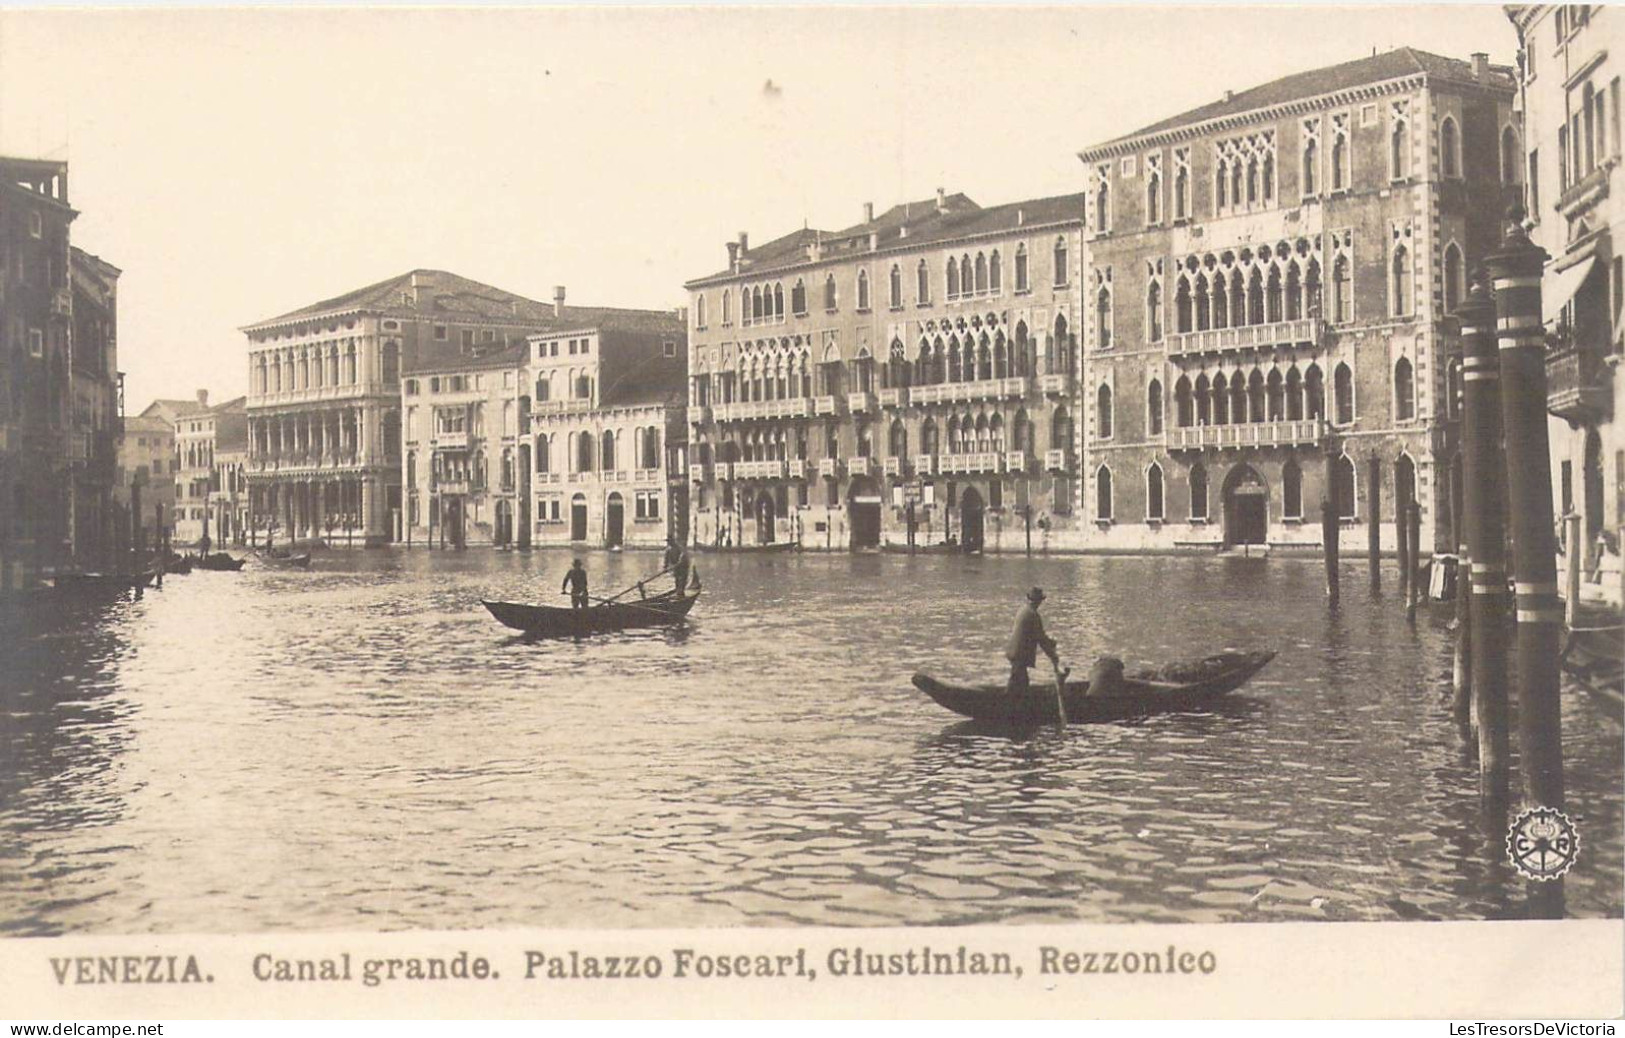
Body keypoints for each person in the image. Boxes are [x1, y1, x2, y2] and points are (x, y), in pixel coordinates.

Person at [1005, 587, 1060, 695]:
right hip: (1019, 655)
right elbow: (1041, 639)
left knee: (1019, 682)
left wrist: (1049, 642)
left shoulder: (1023, 609)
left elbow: (1039, 636)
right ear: (1038, 601)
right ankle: (1009, 704)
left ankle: (1012, 700)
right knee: (1019, 682)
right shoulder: (1033, 615)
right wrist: (1053, 655)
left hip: (1014, 652)